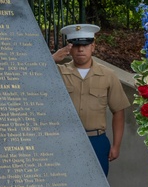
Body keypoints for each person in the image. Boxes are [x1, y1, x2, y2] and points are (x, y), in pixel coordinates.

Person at [52, 24, 129, 176]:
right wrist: (52, 59)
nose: (81, 49)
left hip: (96, 141)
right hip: (66, 141)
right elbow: (29, 77)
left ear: (93, 47)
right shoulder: (57, 72)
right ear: (69, 48)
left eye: (85, 45)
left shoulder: (108, 75)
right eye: (76, 45)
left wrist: (116, 145)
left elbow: (118, 111)